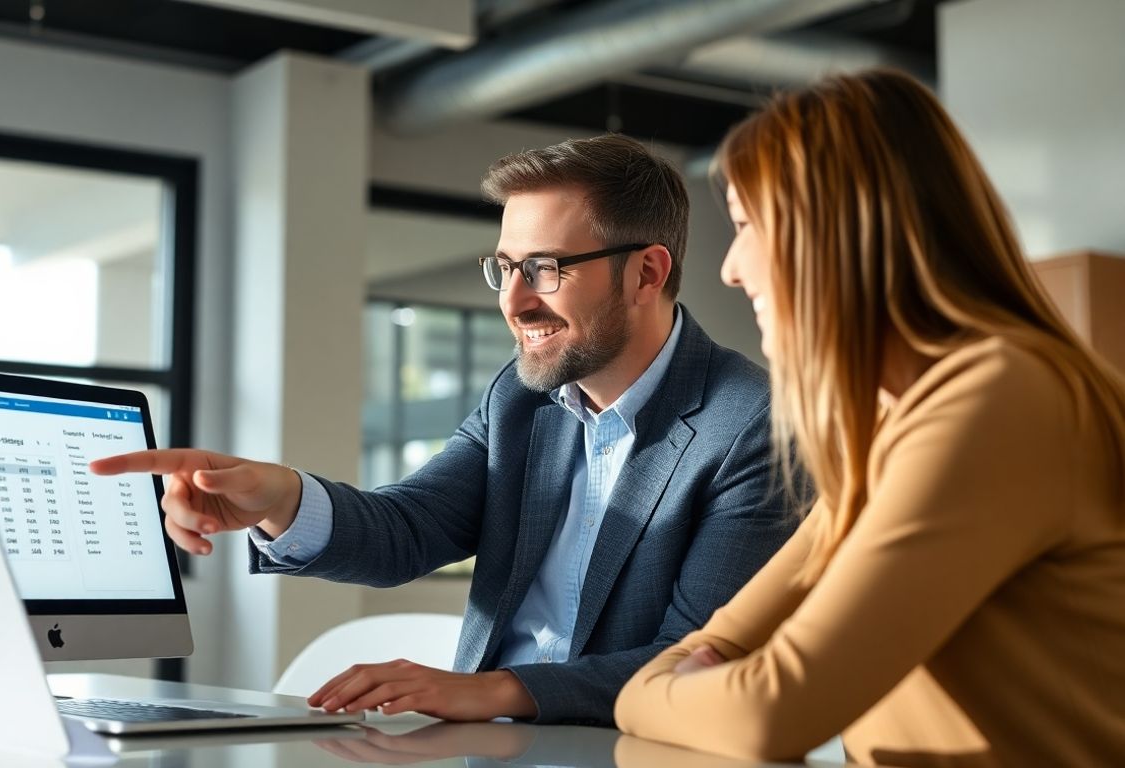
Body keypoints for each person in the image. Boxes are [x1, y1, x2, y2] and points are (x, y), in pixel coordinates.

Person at [93, 134, 795, 725]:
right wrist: (278, 499)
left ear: (646, 273)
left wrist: (492, 691)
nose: (514, 301)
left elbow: (695, 659)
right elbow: (409, 529)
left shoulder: (754, 426)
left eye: (544, 269)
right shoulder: (520, 399)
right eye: (506, 268)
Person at [614, 69, 1125, 765]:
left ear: (832, 230)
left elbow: (771, 711)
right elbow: (711, 654)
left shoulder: (998, 399)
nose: (731, 269)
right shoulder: (889, 433)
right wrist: (676, 688)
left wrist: (667, 691)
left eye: (745, 226)